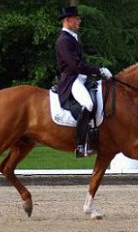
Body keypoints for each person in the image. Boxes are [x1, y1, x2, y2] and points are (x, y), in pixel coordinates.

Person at [55, 6, 113, 157]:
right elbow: (75, 65)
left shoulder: (73, 37)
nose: (79, 21)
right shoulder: (63, 40)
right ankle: (80, 145)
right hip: (71, 79)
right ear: (68, 20)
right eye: (76, 19)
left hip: (80, 77)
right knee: (88, 104)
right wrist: (98, 70)